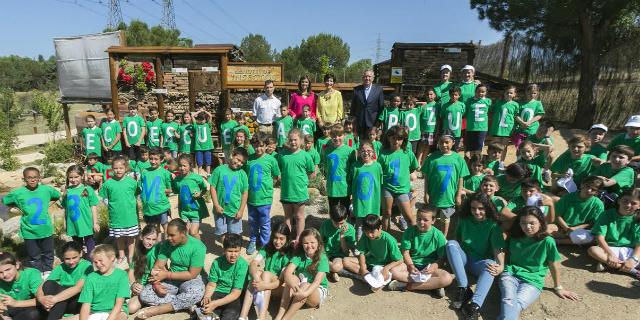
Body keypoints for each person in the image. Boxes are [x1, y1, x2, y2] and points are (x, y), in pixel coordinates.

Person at [498, 206, 578, 320]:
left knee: (517, 304)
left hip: (533, 281)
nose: (527, 227)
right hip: (510, 274)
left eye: (532, 223)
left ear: (540, 223)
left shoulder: (547, 241)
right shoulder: (513, 236)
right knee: (508, 300)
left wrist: (558, 287)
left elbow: (554, 264)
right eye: (523, 223)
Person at [445, 193, 505, 318]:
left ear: (487, 208)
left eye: (481, 209)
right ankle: (464, 288)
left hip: (480, 263)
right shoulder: (464, 219)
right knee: (451, 244)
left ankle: (474, 305)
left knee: (492, 265)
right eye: (473, 208)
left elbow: (497, 248)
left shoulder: (493, 224)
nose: (477, 212)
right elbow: (458, 240)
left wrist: (501, 265)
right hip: (465, 259)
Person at [137, 219, 206, 319]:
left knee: (197, 291)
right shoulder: (167, 244)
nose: (168, 238)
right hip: (172, 280)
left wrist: (166, 275)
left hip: (190, 280)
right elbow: (158, 267)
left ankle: (160, 309)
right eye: (167, 234)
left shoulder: (198, 247)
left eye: (172, 235)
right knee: (144, 294)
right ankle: (187, 304)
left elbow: (192, 274)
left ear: (183, 233)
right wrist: (157, 285)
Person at [2, 167, 60, 274]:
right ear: (24, 179)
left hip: (45, 229)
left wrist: (48, 204)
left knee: (48, 252)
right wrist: (17, 207)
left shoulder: (46, 189)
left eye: (35, 177)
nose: (32, 180)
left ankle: (48, 271)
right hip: (29, 231)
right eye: (29, 178)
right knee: (34, 255)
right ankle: (37, 273)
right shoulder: (18, 193)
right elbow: (5, 200)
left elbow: (57, 195)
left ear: (39, 178)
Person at [388, 207, 453, 297]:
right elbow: (405, 252)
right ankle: (432, 285)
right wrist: (410, 266)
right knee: (393, 271)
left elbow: (441, 257)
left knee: (447, 278)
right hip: (412, 264)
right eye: (419, 219)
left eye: (425, 220)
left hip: (429, 267)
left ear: (433, 221)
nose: (421, 222)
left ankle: (409, 286)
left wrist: (434, 266)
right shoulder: (409, 232)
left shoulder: (439, 235)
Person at [240, 224, 292, 320]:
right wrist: (256, 277)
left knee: (266, 274)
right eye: (275, 238)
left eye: (281, 239)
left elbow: (281, 281)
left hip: (278, 287)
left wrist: (264, 286)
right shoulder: (267, 247)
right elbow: (253, 263)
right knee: (257, 274)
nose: (278, 241)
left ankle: (262, 317)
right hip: (264, 282)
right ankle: (242, 317)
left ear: (287, 239)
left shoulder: (288, 255)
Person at [275, 228, 329, 320]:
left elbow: (316, 282)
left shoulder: (322, 258)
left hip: (316, 290)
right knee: (291, 278)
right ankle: (279, 315)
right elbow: (287, 273)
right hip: (300, 287)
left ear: (319, 243)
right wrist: (295, 287)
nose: (309, 246)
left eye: (312, 242)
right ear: (302, 244)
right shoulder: (299, 255)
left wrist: (304, 293)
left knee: (304, 285)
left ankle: (286, 318)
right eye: (306, 243)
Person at [422, 135, 470, 237]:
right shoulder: (431, 158)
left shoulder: (458, 159)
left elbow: (460, 178)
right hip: (434, 195)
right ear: (438, 143)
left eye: (447, 142)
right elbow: (426, 178)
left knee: (445, 217)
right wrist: (425, 193)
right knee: (431, 216)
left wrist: (458, 195)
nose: (444, 145)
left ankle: (443, 237)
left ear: (453, 142)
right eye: (441, 142)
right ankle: (431, 236)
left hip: (448, 196)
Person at [342, 214, 402, 292]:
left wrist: (386, 268)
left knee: (387, 273)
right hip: (369, 263)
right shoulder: (365, 235)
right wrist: (363, 267)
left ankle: (367, 278)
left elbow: (400, 260)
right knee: (346, 261)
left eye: (372, 232)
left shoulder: (389, 239)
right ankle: (368, 278)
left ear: (380, 227)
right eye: (367, 232)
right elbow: (362, 252)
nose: (370, 235)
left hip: (382, 266)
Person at [276, 129, 316, 243]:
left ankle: (299, 238)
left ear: (301, 140)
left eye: (295, 140)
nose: (293, 142)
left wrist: (303, 181)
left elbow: (311, 171)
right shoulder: (283, 154)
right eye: (291, 140)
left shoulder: (305, 156)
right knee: (287, 217)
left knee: (299, 216)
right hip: (286, 191)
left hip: (299, 191)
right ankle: (287, 238)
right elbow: (277, 168)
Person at [587, 188, 640, 275]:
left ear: (639, 206)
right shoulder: (607, 214)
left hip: (633, 251)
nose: (628, 205)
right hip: (612, 248)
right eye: (625, 201)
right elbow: (599, 237)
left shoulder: (638, 219)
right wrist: (610, 254)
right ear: (619, 201)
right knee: (593, 250)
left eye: (633, 203)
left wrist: (633, 259)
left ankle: (610, 265)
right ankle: (632, 271)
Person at [99, 156, 139, 266]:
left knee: (131, 237)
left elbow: (136, 194)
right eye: (115, 168)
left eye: (121, 168)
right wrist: (109, 205)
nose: (118, 170)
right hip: (116, 216)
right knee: (119, 237)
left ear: (126, 168)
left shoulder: (132, 182)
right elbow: (104, 196)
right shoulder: (108, 183)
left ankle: (130, 255)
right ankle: (121, 255)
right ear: (112, 169)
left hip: (129, 215)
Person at [245, 133, 281, 255]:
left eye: (261, 145)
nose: (258, 148)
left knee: (265, 222)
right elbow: (245, 176)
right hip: (251, 198)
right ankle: (253, 240)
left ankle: (265, 243)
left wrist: (268, 187)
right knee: (252, 222)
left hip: (264, 198)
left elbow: (277, 176)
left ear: (266, 146)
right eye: (256, 145)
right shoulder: (249, 159)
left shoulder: (271, 160)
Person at [36, 241, 93, 320]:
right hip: (60, 300)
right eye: (67, 259)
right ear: (63, 257)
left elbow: (78, 288)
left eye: (74, 257)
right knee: (48, 284)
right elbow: (43, 285)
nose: (71, 262)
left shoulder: (87, 266)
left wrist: (54, 299)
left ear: (81, 254)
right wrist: (41, 299)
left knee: (63, 291)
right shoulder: (61, 267)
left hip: (77, 301)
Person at [199, 233, 249, 320]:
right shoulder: (217, 262)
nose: (233, 255)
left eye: (236, 251)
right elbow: (212, 284)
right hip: (218, 292)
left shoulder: (242, 265)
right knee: (204, 312)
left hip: (233, 296)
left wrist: (215, 304)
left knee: (230, 315)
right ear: (224, 250)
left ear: (240, 250)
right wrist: (207, 296)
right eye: (230, 251)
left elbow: (236, 293)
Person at [378, 125, 419, 230]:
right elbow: (379, 171)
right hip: (387, 188)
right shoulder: (383, 154)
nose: (396, 141)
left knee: (409, 217)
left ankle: (413, 238)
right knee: (386, 213)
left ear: (403, 139)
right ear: (388, 138)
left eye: (399, 138)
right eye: (393, 138)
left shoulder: (408, 153)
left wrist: (404, 177)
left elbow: (412, 168)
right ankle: (386, 236)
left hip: (402, 189)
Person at [77, 244, 130, 320]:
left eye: (100, 260)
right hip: (94, 312)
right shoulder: (91, 277)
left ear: (112, 258)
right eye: (95, 262)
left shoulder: (121, 275)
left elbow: (119, 303)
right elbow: (86, 304)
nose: (98, 264)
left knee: (122, 317)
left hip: (116, 311)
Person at [550, 176, 605, 245]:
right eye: (587, 186)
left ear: (597, 192)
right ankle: (568, 239)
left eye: (593, 189)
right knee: (546, 229)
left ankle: (558, 241)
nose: (589, 190)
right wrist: (567, 228)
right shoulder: (568, 197)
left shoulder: (598, 204)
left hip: (580, 230)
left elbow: (593, 223)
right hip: (561, 226)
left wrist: (576, 228)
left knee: (590, 237)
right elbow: (557, 215)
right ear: (582, 185)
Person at [209, 147, 249, 240]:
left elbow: (245, 193)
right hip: (220, 210)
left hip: (234, 211)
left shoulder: (242, 174)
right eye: (238, 159)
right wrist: (216, 205)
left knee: (234, 235)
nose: (239, 163)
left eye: (242, 162)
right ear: (232, 155)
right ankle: (225, 251)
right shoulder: (219, 170)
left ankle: (233, 251)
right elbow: (213, 187)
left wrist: (241, 210)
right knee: (222, 233)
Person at [60, 165, 100, 260]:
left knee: (90, 243)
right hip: (73, 223)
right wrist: (65, 223)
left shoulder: (88, 189)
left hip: (86, 222)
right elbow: (66, 208)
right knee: (77, 244)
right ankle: (80, 260)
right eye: (71, 177)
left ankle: (91, 262)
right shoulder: (67, 191)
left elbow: (93, 207)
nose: (73, 180)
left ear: (82, 176)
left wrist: (95, 223)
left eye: (76, 177)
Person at [348, 140, 383, 238]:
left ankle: (372, 243)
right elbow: (351, 182)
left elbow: (380, 184)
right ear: (359, 152)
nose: (366, 153)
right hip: (359, 202)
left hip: (373, 202)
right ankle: (359, 244)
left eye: (369, 150)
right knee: (359, 224)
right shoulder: (355, 166)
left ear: (373, 152)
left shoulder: (377, 166)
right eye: (363, 150)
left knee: (373, 223)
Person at [172, 155, 209, 238]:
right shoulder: (177, 180)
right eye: (180, 165)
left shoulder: (196, 178)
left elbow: (205, 188)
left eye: (184, 165)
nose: (182, 168)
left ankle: (199, 249)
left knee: (193, 232)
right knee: (186, 232)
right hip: (184, 211)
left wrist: (200, 194)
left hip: (196, 210)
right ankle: (190, 249)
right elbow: (175, 190)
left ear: (190, 165)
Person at [0, 252, 44, 320]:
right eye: (0, 272)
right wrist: (4, 315)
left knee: (33, 314)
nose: (5, 274)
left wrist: (16, 303)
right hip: (11, 310)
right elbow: (2, 307)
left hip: (30, 306)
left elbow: (42, 299)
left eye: (8, 269)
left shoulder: (31, 274)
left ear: (17, 265)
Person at [138, 148, 172, 235]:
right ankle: (157, 247)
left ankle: (168, 247)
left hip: (161, 208)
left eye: (156, 159)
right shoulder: (144, 171)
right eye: (151, 159)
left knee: (166, 229)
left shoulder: (165, 173)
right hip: (148, 209)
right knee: (153, 231)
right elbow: (140, 187)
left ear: (162, 159)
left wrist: (165, 191)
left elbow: (170, 189)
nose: (153, 161)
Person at [127, 224, 160, 314]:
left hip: (150, 284)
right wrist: (133, 284)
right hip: (139, 282)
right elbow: (131, 271)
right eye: (148, 238)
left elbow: (159, 271)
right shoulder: (137, 249)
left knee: (131, 308)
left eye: (154, 239)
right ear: (141, 237)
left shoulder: (156, 250)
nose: (150, 242)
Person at [321, 123, 355, 209]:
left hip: (345, 187)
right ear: (331, 136)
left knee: (345, 211)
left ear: (344, 135)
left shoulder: (350, 151)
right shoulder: (327, 150)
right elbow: (325, 166)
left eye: (339, 135)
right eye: (334, 136)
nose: (337, 138)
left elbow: (353, 169)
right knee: (333, 211)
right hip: (332, 187)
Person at [320, 204, 356, 282]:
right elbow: (320, 241)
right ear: (331, 218)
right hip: (325, 253)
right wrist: (322, 254)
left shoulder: (350, 229)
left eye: (342, 223)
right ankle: (331, 271)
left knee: (336, 267)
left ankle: (328, 270)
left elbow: (346, 252)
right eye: (336, 223)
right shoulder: (325, 225)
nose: (339, 226)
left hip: (338, 255)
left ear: (346, 218)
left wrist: (342, 235)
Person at [489, 85, 519, 162]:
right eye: (507, 93)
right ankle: (493, 161)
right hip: (497, 129)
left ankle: (501, 162)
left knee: (504, 147)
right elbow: (492, 112)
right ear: (504, 93)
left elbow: (516, 117)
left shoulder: (515, 105)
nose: (509, 94)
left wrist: (514, 128)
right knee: (495, 146)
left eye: (511, 93)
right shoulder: (498, 103)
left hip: (507, 129)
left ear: (514, 94)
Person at [352, 70, 385, 139]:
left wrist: (378, 125)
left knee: (371, 145)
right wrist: (353, 123)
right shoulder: (356, 90)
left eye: (369, 76)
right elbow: (353, 107)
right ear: (362, 78)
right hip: (359, 123)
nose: (367, 78)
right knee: (359, 144)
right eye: (365, 76)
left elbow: (381, 108)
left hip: (373, 123)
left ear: (373, 78)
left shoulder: (379, 90)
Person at [465, 84, 492, 159]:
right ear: (475, 91)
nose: (480, 93)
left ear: (486, 92)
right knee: (470, 148)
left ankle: (477, 162)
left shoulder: (488, 101)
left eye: (483, 92)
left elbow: (491, 112)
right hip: (471, 128)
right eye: (478, 91)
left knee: (478, 148)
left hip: (482, 128)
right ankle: (470, 164)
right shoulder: (469, 101)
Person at [514, 84, 545, 149]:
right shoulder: (520, 104)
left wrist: (529, 122)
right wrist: (522, 122)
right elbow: (516, 115)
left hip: (532, 130)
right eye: (530, 93)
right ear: (526, 92)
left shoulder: (538, 103)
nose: (532, 95)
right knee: (519, 148)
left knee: (530, 148)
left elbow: (540, 115)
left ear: (537, 93)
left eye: (534, 93)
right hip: (520, 130)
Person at [417, 86, 438, 164]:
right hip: (424, 129)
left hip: (432, 129)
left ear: (435, 95)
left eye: (431, 94)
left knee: (427, 147)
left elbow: (438, 118)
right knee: (421, 146)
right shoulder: (423, 105)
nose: (430, 96)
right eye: (428, 95)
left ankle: (423, 162)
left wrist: (437, 129)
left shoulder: (437, 105)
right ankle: (418, 162)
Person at [193, 111, 214, 175]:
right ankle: (200, 175)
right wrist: (199, 111)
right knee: (199, 163)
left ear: (205, 119)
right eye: (200, 119)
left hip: (207, 147)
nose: (201, 121)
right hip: (199, 147)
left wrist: (204, 111)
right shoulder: (196, 125)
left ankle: (208, 174)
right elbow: (193, 116)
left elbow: (210, 116)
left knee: (208, 162)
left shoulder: (208, 125)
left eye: (203, 119)